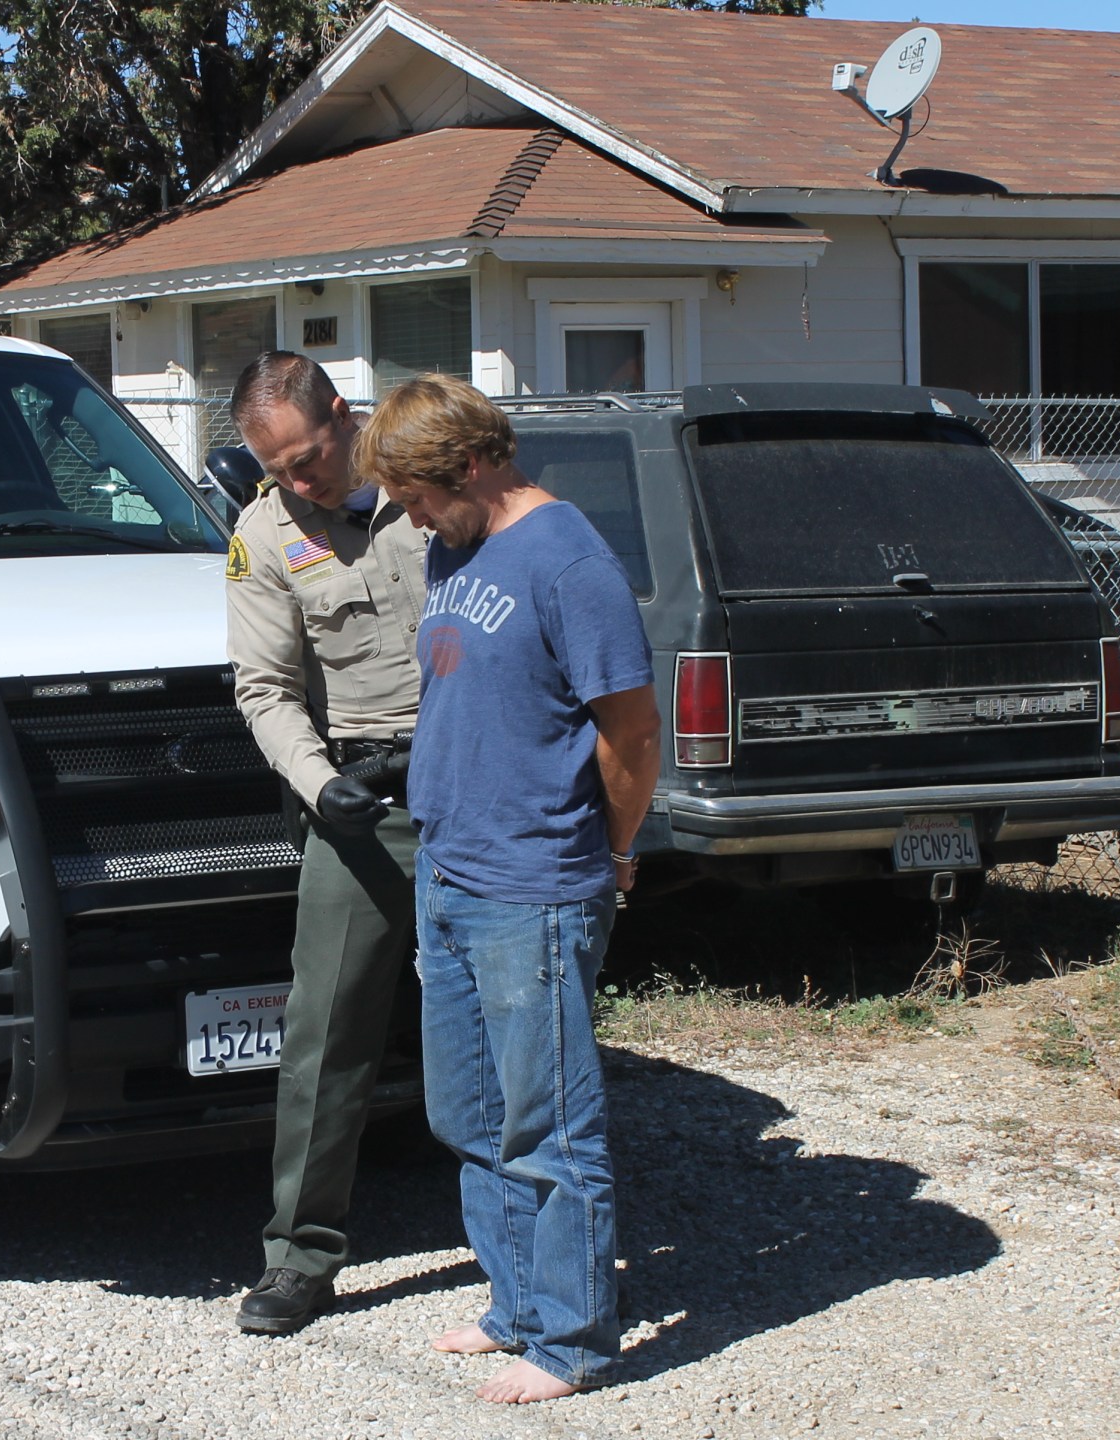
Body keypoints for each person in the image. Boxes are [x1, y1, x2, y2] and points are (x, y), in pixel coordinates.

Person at [351, 373, 662, 1404]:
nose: (409, 515)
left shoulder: (569, 563)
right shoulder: (460, 544)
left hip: (533, 882)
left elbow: (632, 734)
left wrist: (608, 853)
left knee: (549, 1128)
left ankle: (571, 1343)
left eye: (418, 493)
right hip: (449, 868)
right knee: (470, 1119)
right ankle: (515, 1307)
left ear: (475, 465)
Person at [223, 351, 432, 1335]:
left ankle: (533, 1244)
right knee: (326, 1031)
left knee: (509, 1011)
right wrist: (320, 786)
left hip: (478, 777)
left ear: (342, 417)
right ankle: (299, 1258)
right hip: (361, 796)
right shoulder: (265, 533)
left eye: (306, 461)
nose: (298, 486)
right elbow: (263, 690)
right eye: (277, 471)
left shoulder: (426, 475)